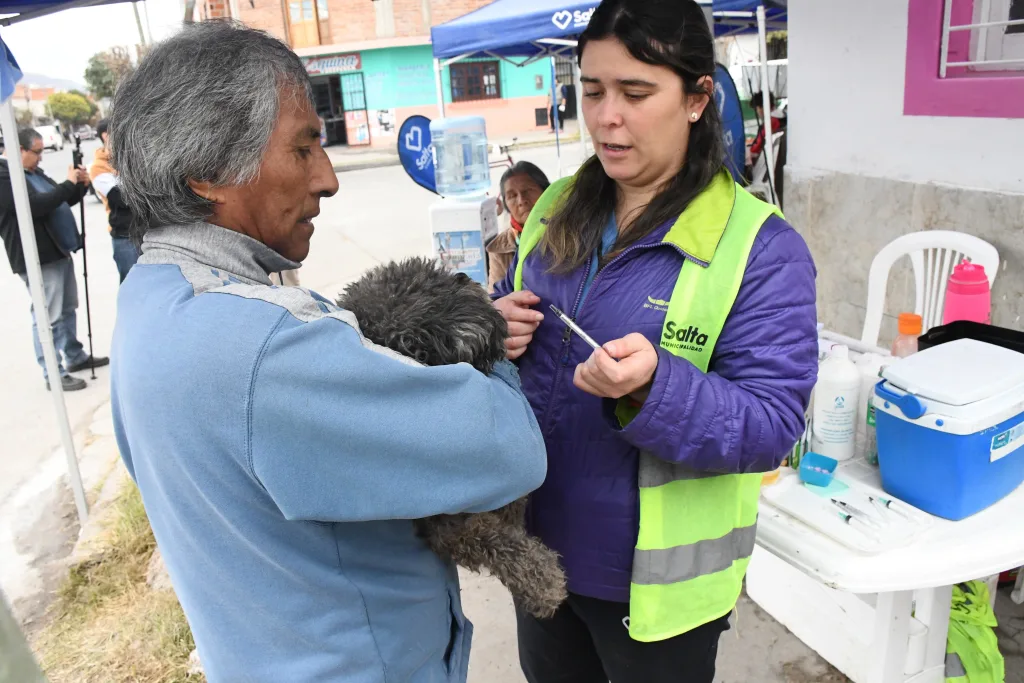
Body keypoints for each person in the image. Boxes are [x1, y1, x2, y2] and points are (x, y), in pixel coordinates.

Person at [107, 21, 546, 683]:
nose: (329, 178)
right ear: (207, 174)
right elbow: (510, 448)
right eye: (304, 147)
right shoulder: (263, 350)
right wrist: (480, 338)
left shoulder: (150, 298)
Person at [491, 1, 818, 681]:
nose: (608, 117)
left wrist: (654, 387)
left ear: (698, 98)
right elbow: (520, 352)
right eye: (592, 90)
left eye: (636, 93)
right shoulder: (553, 209)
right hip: (538, 555)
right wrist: (497, 328)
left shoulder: (760, 248)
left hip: (656, 594)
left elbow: (772, 425)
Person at [0, 128, 108, 392]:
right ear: (19, 150)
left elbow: (57, 201)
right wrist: (67, 185)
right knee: (49, 315)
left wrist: (78, 187)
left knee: (67, 307)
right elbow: (34, 205)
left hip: (57, 251)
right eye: (36, 152)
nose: (40, 158)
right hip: (37, 257)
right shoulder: (5, 175)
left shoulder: (32, 172)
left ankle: (74, 356)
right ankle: (53, 371)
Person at [487, 161, 550, 293]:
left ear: (546, 191)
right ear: (506, 204)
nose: (521, 200)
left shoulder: (569, 231)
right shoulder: (499, 250)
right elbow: (496, 300)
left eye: (528, 190)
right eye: (512, 196)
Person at [90, 118, 139, 284]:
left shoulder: (130, 156)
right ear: (106, 136)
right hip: (126, 236)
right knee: (132, 285)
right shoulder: (99, 167)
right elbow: (123, 199)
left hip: (146, 230)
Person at [748, 90, 784, 168]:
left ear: (762, 107)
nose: (757, 112)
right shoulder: (782, 117)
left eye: (757, 108)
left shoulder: (771, 122)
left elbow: (756, 148)